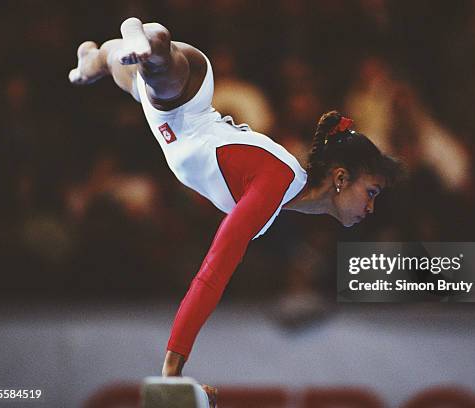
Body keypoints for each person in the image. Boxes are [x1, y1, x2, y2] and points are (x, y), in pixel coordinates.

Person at [70, 16, 400, 381]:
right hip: (190, 99)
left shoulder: (283, 199)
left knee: (124, 68)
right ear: (341, 177)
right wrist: (173, 364)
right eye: (371, 193)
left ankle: (94, 58)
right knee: (155, 57)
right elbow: (215, 269)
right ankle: (145, 35)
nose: (370, 207)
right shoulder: (278, 181)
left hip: (168, 127)